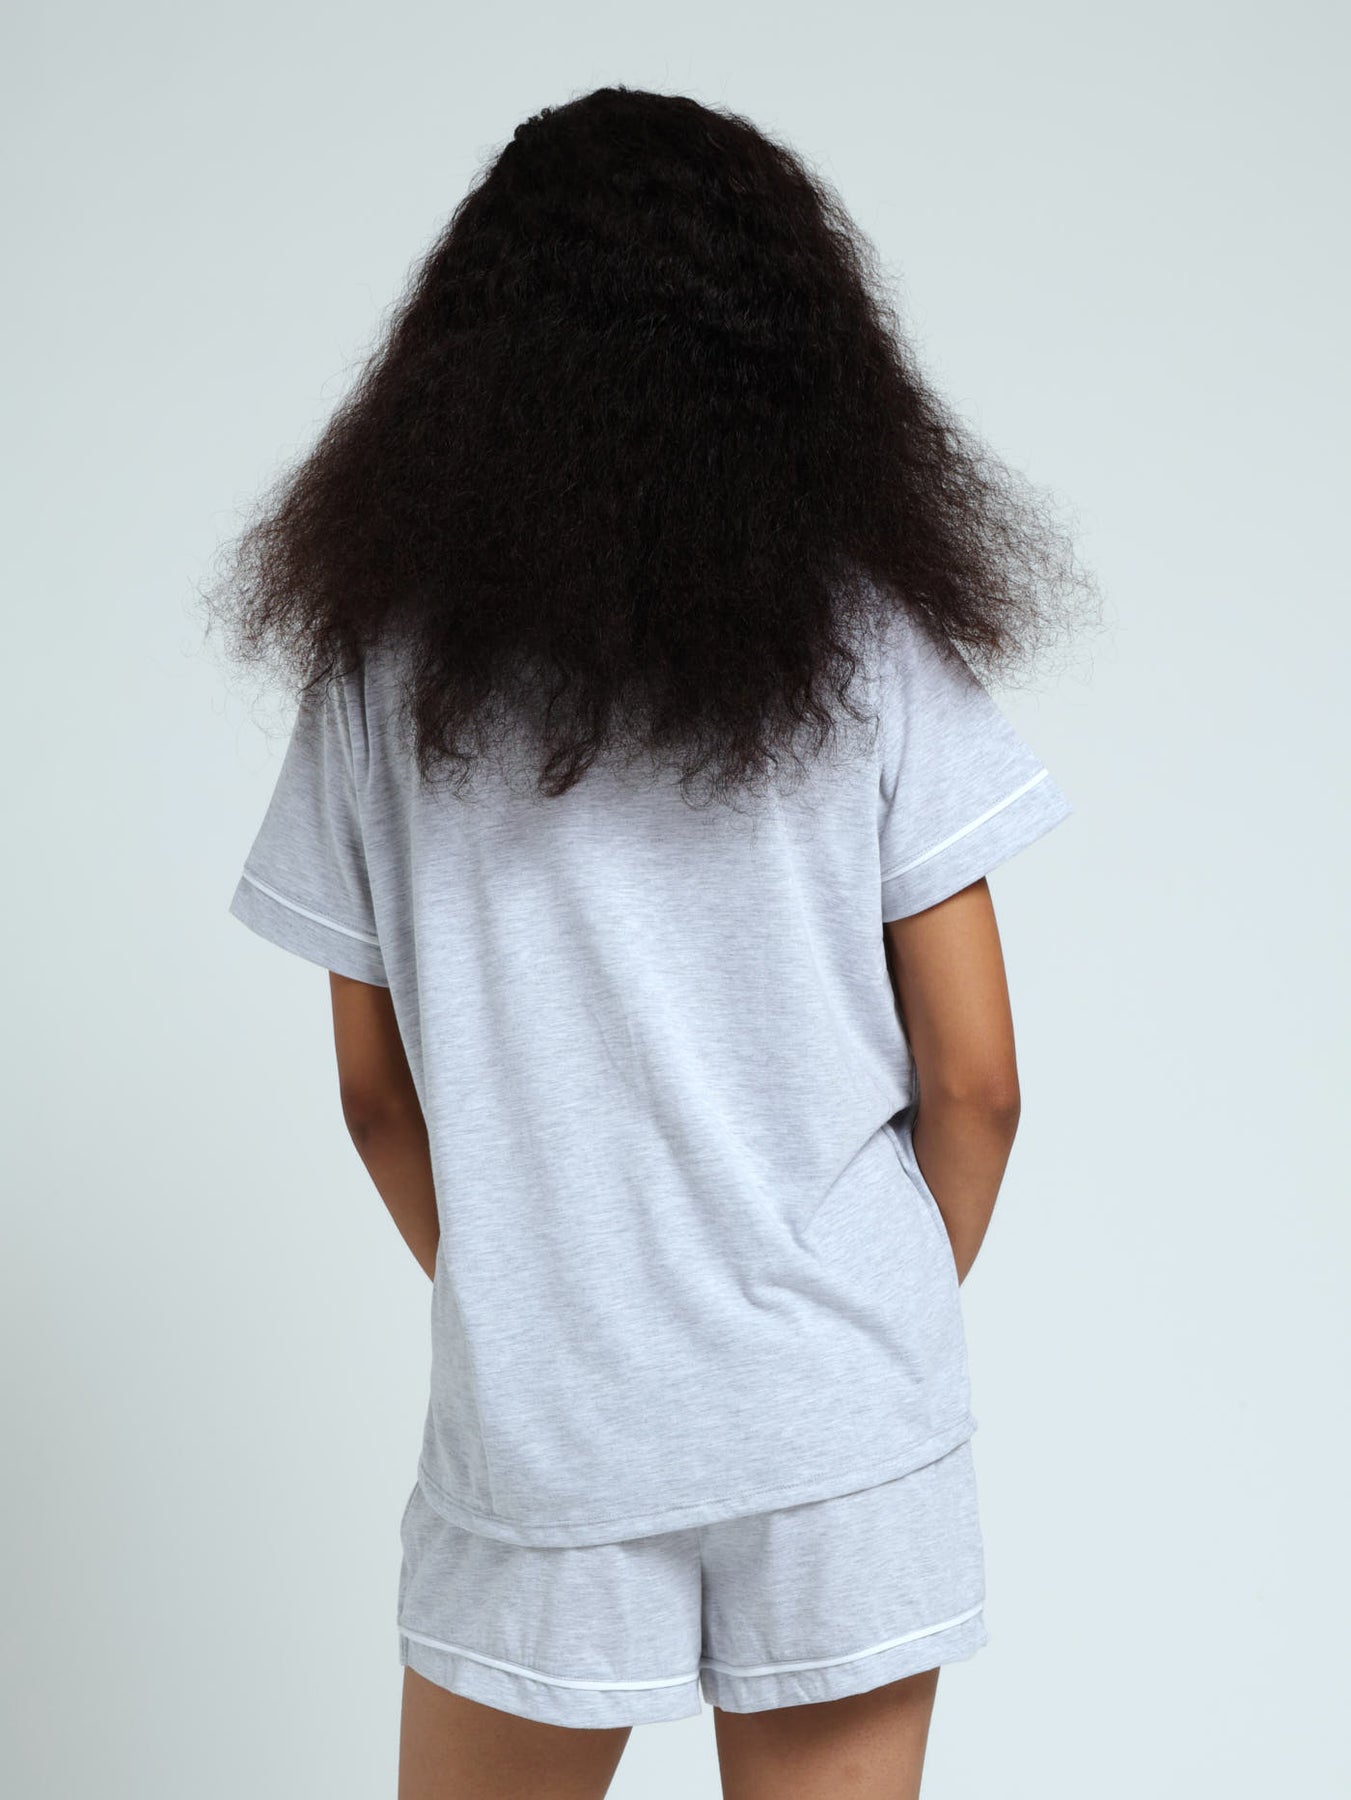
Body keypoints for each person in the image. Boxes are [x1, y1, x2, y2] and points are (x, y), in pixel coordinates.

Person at [206, 84, 1095, 1800]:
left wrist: (544, 1303)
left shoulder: (384, 671)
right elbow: (978, 1081)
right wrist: (856, 1326)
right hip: (838, 1410)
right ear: (793, 344)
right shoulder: (870, 636)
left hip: (545, 1424)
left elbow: (375, 1096)